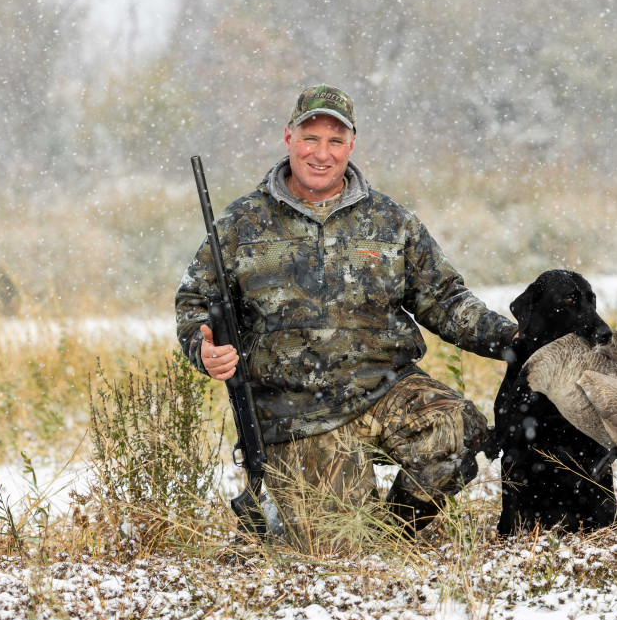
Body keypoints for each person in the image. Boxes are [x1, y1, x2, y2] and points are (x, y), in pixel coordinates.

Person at [175, 84, 517, 545]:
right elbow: (195, 301)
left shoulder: (391, 222)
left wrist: (518, 341)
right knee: (337, 548)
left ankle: (393, 536)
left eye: (335, 141)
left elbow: (445, 299)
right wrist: (204, 346)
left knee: (453, 431)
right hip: (295, 411)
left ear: (351, 145)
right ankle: (337, 525)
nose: (322, 153)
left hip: (384, 387)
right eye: (310, 138)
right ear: (288, 138)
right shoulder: (240, 225)